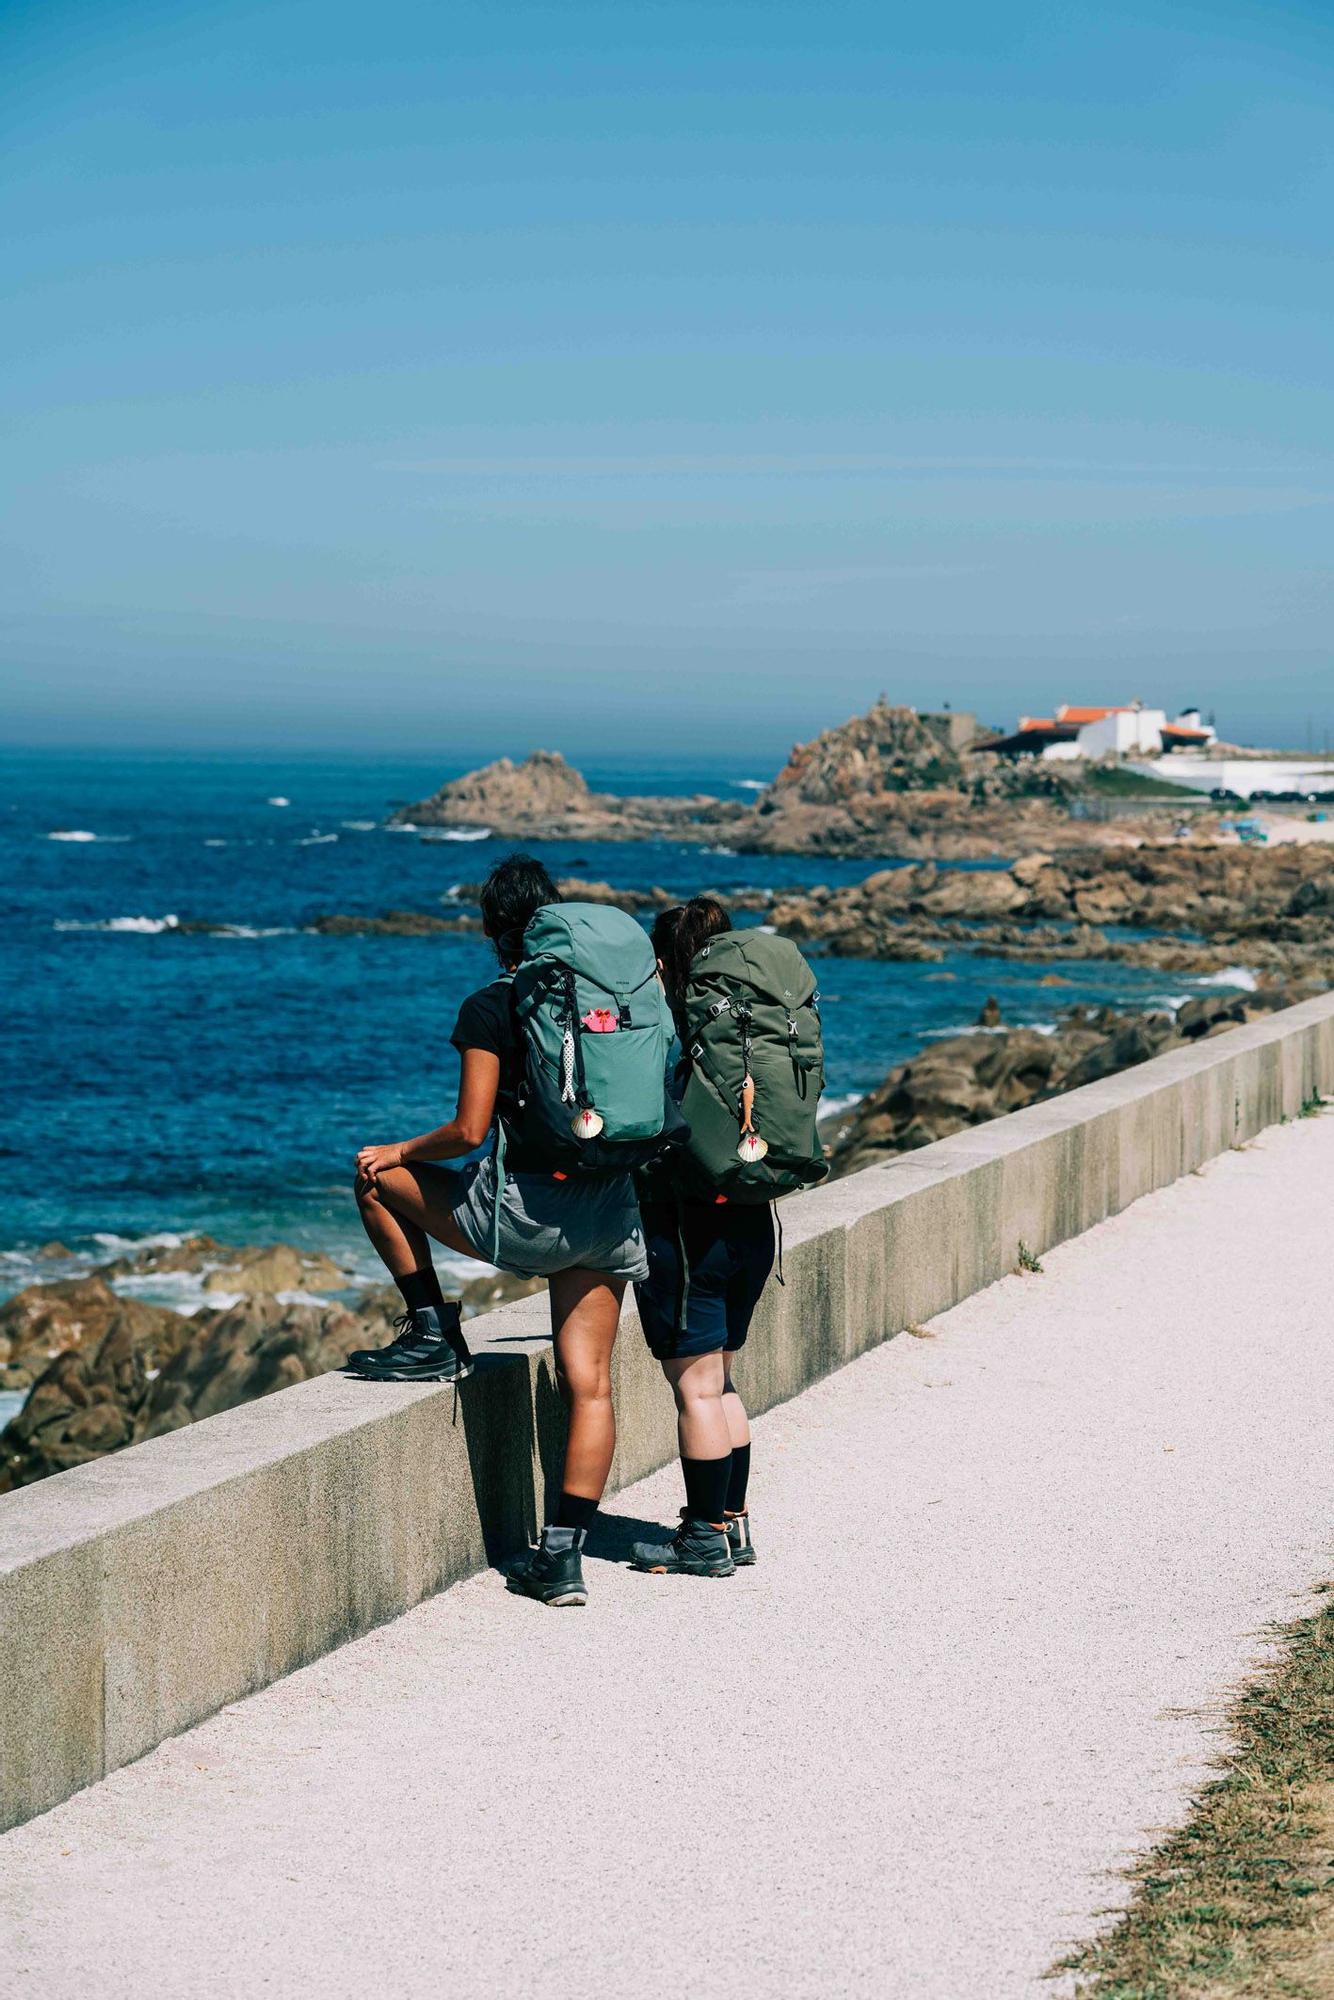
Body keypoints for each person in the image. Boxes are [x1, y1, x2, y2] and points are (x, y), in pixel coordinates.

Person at [350, 852, 651, 1609]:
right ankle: (563, 1561)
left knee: (374, 1181)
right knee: (591, 1384)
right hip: (610, 1213)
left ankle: (431, 1332)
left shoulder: (492, 1005)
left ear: (493, 931)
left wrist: (399, 1151)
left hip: (526, 1219)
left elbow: (468, 1130)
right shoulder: (603, 1000)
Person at [628, 897, 773, 1580]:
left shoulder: (671, 1028)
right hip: (753, 1221)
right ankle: (732, 1524)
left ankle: (704, 1538)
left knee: (696, 1389)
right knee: (722, 1380)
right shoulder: (752, 1023)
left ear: (663, 961)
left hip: (690, 1232)